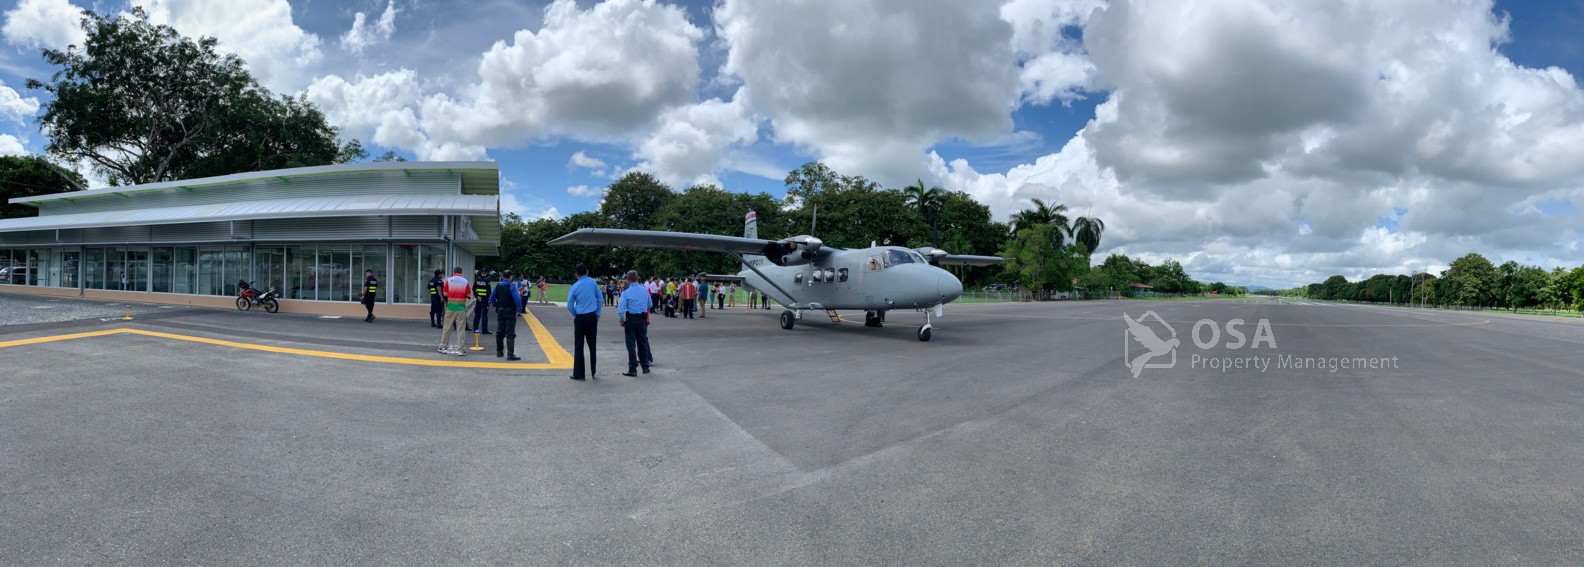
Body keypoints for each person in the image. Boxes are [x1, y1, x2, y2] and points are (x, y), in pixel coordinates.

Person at [566, 263, 602, 381]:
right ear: (587, 271)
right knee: (592, 344)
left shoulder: (574, 286)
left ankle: (579, 374)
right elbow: (599, 298)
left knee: (579, 345)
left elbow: (570, 305)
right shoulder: (593, 283)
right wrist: (597, 313)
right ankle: (593, 371)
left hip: (580, 316)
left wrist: (576, 314)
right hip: (592, 316)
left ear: (576, 274)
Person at [617, 270, 652, 376]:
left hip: (631, 319)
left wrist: (621, 320)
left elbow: (620, 309)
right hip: (642, 319)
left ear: (628, 279)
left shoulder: (626, 292)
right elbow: (650, 304)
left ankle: (633, 368)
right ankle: (645, 366)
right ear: (637, 278)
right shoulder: (644, 290)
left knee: (631, 344)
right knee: (642, 343)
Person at [491, 269, 524, 360]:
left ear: (502, 277)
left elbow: (492, 298)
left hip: (500, 311)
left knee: (500, 331)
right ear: (510, 277)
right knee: (510, 332)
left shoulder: (497, 286)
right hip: (510, 311)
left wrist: (496, 306)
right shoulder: (512, 286)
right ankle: (510, 354)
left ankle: (499, 352)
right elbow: (517, 299)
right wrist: (518, 309)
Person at [438, 267, 472, 355]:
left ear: (454, 272)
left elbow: (445, 293)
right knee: (460, 330)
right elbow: (468, 294)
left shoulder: (449, 281)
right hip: (461, 308)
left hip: (450, 307)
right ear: (461, 272)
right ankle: (460, 350)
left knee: (447, 327)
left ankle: (443, 346)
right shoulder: (465, 281)